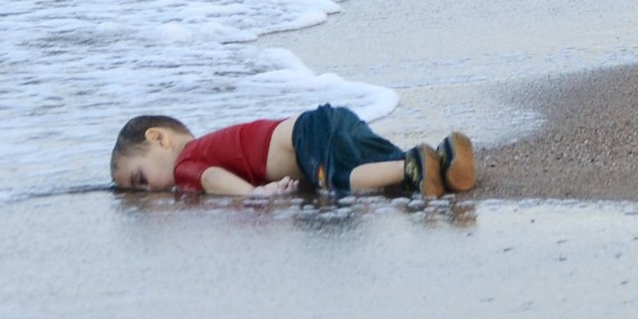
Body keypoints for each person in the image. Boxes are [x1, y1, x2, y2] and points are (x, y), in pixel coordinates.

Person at [109, 102, 475, 199]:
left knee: (340, 181)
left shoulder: (186, 162)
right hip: (327, 121)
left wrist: (254, 194)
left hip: (307, 136)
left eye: (139, 179)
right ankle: (441, 160)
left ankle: (411, 166)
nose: (148, 189)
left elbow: (210, 178)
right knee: (376, 163)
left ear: (159, 139)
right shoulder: (209, 145)